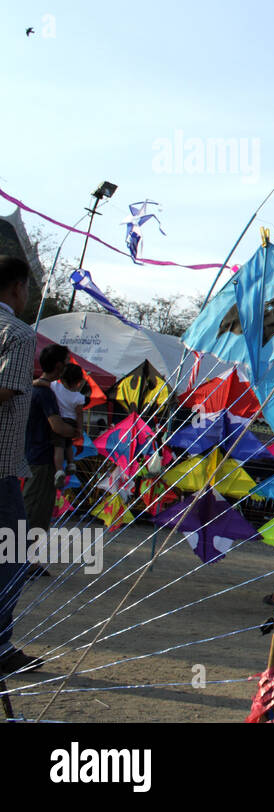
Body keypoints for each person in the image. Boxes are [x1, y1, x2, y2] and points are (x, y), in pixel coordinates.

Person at [0, 257, 42, 676]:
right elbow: (7, 390)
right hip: (0, 465)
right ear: (17, 288)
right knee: (13, 555)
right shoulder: (18, 333)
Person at [25, 344, 76, 533]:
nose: (67, 365)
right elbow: (57, 426)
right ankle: (24, 559)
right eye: (66, 362)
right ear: (58, 365)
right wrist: (75, 432)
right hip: (43, 460)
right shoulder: (45, 393)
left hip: (32, 456)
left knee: (33, 508)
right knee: (36, 511)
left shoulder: (36, 388)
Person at [51, 362, 88, 488]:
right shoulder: (78, 397)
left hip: (59, 421)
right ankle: (71, 463)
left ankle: (59, 470)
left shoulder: (55, 386)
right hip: (71, 423)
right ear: (78, 380)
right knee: (68, 444)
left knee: (58, 447)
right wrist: (79, 429)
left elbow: (44, 383)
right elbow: (79, 414)